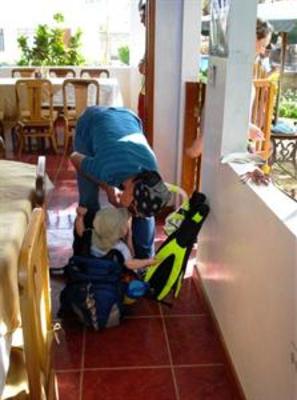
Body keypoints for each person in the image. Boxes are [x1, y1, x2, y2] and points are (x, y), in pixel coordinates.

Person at [70, 106, 171, 259]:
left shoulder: (151, 172)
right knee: (88, 200)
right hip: (91, 122)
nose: (132, 213)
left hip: (128, 118)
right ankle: (85, 255)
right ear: (129, 189)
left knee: (145, 214)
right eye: (132, 208)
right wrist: (108, 188)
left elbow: (143, 208)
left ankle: (145, 259)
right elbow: (74, 157)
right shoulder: (106, 168)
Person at [186, 18, 273, 159]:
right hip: (223, 152)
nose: (263, 51)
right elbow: (219, 111)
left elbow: (231, 112)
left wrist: (247, 127)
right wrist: (199, 144)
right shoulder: (233, 69)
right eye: (263, 44)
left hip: (227, 149)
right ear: (250, 39)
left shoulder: (236, 67)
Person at [91, 206, 155, 270]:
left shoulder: (90, 235)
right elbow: (130, 264)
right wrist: (148, 262)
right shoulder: (120, 247)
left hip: (92, 270)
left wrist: (80, 217)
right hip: (110, 274)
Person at [137, 0, 147, 130]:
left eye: (143, 16)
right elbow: (142, 65)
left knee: (145, 127)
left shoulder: (155, 39)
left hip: (148, 93)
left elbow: (143, 68)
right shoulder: (150, 37)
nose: (141, 20)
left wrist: (142, 65)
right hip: (144, 91)